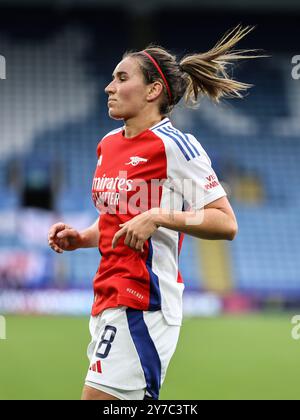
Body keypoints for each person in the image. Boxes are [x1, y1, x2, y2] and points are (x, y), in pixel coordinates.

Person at [48, 25, 258, 400]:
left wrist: (160, 216)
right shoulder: (108, 145)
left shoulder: (175, 146)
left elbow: (225, 222)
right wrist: (83, 237)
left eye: (121, 78)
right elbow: (118, 218)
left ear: (153, 90)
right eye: (112, 79)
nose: (109, 87)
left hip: (145, 302)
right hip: (107, 298)